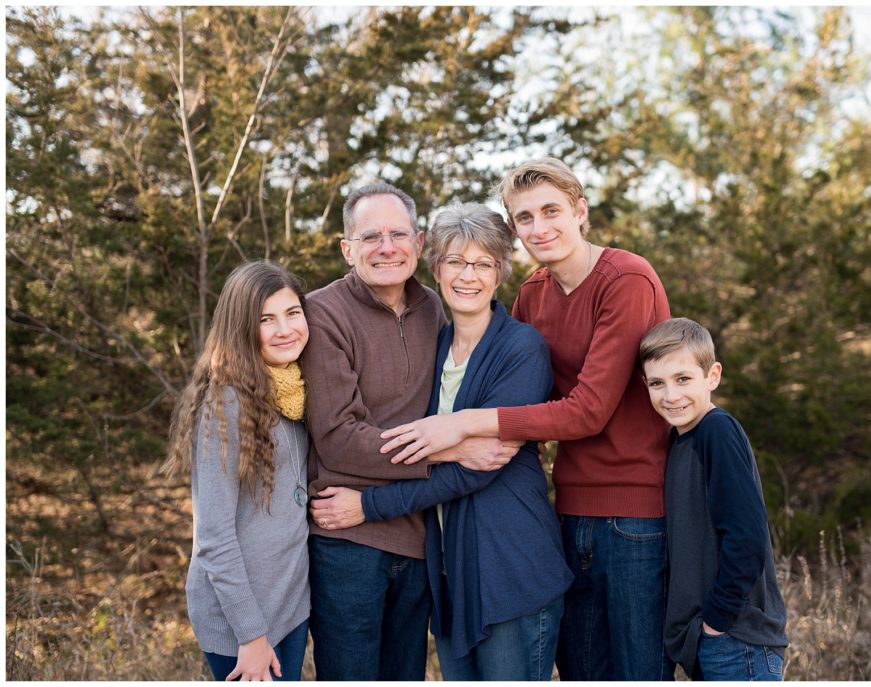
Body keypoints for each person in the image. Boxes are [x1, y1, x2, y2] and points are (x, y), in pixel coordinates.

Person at [380, 158, 675, 680]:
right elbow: (519, 394)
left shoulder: (627, 279)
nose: (540, 228)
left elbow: (588, 410)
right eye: (524, 218)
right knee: (582, 669)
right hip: (568, 509)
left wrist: (466, 424)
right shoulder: (533, 295)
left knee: (637, 671)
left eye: (551, 211)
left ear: (580, 211)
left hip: (635, 514)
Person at [319, 203, 574, 680]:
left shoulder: (522, 349)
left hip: (508, 565)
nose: (468, 276)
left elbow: (476, 469)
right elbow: (441, 451)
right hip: (452, 572)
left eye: (483, 264)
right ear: (435, 267)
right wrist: (453, 444)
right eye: (456, 261)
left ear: (501, 272)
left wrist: (369, 506)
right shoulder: (434, 345)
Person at [164, 261, 311, 681]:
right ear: (241, 327)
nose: (284, 329)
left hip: (289, 606)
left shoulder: (293, 390)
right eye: (266, 319)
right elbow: (213, 538)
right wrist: (250, 636)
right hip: (242, 623)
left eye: (292, 313)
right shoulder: (226, 402)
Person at [639, 317, 788, 681]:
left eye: (683, 379)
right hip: (711, 641)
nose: (671, 395)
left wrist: (716, 622)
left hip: (737, 639)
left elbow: (747, 536)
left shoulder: (716, 431)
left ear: (713, 376)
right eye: (658, 383)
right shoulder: (680, 439)